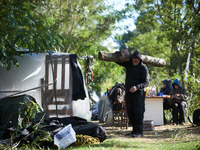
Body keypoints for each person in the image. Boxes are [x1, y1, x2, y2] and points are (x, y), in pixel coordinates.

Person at [116, 50, 149, 138]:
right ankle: (134, 131)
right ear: (132, 58)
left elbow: (146, 83)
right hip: (128, 93)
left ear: (140, 60)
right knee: (130, 113)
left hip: (138, 94)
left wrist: (137, 87)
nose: (135, 60)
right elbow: (117, 60)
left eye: (137, 59)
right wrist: (119, 53)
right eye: (134, 58)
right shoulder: (129, 65)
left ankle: (139, 132)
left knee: (138, 113)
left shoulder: (143, 68)